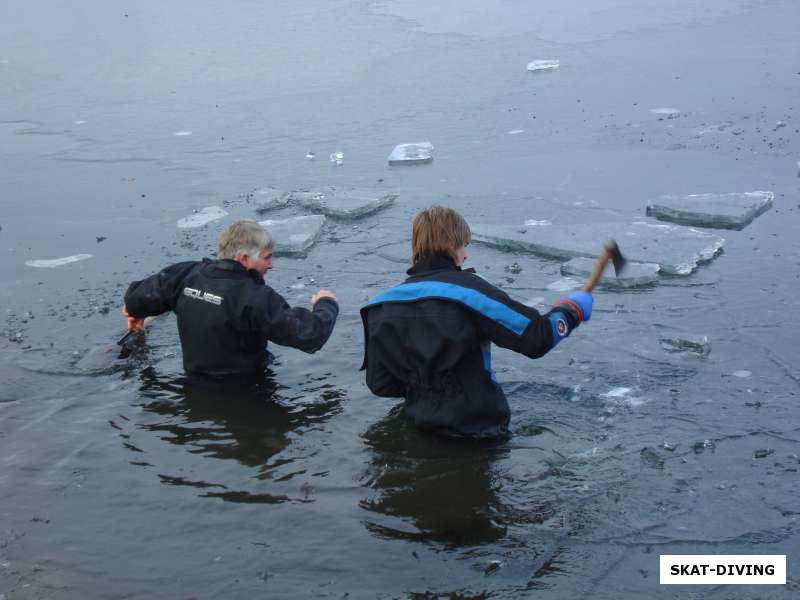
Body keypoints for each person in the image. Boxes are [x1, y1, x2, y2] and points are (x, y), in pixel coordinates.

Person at [360, 206, 594, 441]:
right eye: (464, 246)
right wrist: (570, 311)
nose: (465, 255)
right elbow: (537, 337)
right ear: (451, 245)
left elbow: (380, 384)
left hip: (420, 430)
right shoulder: (469, 292)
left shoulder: (381, 306)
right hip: (478, 432)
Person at [123, 219, 338, 378]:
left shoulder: (186, 274)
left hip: (194, 381)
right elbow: (309, 335)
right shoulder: (254, 298)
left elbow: (136, 298)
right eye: (267, 257)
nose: (271, 265)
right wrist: (326, 304)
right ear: (244, 258)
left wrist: (136, 312)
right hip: (245, 388)